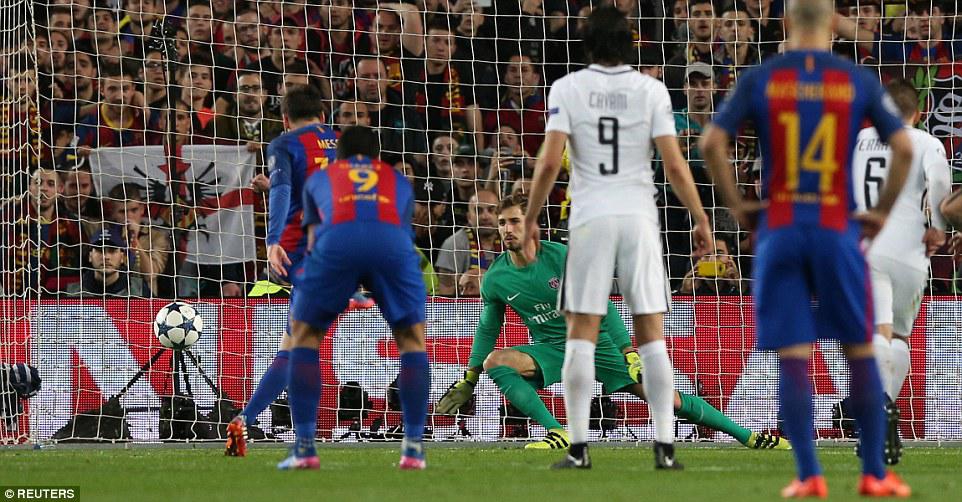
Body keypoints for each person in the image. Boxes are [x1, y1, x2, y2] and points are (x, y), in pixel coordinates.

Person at [700, 0, 914, 497]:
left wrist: (738, 206)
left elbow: (711, 142)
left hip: (780, 228)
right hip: (836, 227)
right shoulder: (855, 78)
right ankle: (874, 474)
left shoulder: (762, 77)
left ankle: (808, 474)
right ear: (835, 23)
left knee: (794, 357)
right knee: (860, 349)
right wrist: (881, 213)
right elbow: (903, 147)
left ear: (784, 22)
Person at [436, 194, 789, 451]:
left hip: (598, 342)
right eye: (502, 223)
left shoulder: (562, 257)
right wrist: (469, 378)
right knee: (496, 360)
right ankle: (558, 432)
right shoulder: (496, 278)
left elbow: (603, 306)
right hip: (553, 349)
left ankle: (748, 436)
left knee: (667, 399)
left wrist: (628, 351)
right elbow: (487, 329)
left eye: (514, 221)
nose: (507, 229)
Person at [524, 5, 712, 470]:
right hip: (638, 218)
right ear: (630, 44)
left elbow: (548, 163)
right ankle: (665, 446)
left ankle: (579, 447)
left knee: (580, 336)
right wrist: (700, 217)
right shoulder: (651, 90)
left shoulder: (567, 88)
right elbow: (674, 164)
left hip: (590, 217)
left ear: (586, 44)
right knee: (651, 336)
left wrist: (530, 217)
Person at [280, 125, 429, 470]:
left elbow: (313, 240)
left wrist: (339, 286)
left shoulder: (321, 178)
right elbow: (400, 230)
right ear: (378, 156)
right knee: (412, 341)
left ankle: (305, 448)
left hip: (336, 244)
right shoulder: (398, 180)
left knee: (304, 337)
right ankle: (413, 449)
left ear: (339, 156)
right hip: (392, 246)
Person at [224, 85, 338, 457]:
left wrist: (272, 239)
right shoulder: (343, 143)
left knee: (297, 345)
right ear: (323, 115)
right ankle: (263, 424)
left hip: (300, 252)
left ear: (285, 119)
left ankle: (247, 421)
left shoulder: (285, 143)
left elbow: (285, 192)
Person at [852, 80, 951, 435]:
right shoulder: (927, 142)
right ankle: (880, 417)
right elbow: (939, 183)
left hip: (866, 244)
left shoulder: (856, 139)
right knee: (899, 336)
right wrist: (938, 228)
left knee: (876, 329)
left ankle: (876, 409)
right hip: (911, 250)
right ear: (919, 113)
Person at [66, 229, 150, 298]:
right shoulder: (72, 292)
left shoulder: (139, 290)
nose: (106, 257)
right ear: (90, 256)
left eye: (112, 251)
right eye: (100, 250)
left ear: (122, 257)